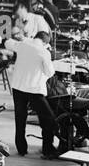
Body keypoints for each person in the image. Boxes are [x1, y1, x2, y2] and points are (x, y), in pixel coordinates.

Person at [6, 29, 60, 157]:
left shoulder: (23, 44)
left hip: (18, 87)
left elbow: (8, 43)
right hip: (34, 89)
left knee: (20, 119)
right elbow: (49, 73)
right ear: (46, 43)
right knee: (48, 119)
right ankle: (47, 149)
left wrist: (20, 38)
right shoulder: (44, 52)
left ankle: (22, 149)